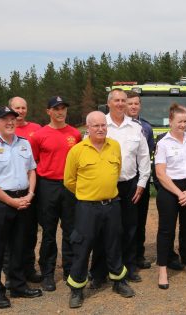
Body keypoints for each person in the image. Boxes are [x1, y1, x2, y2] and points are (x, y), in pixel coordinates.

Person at [0, 107, 43, 309]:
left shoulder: (24, 144)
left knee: (19, 246)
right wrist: (11, 201)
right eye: (5, 119)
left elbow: (31, 171)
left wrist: (30, 194)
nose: (10, 122)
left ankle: (18, 285)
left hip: (23, 200)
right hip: (0, 203)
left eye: (13, 118)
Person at [64, 111, 135, 308]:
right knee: (82, 247)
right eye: (96, 126)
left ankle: (118, 282)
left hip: (112, 205)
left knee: (113, 244)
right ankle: (77, 289)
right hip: (87, 208)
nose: (101, 128)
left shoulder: (115, 146)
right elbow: (69, 181)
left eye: (103, 125)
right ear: (88, 128)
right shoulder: (77, 151)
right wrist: (88, 193)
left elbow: (117, 170)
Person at [90, 89, 151, 286]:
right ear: (109, 103)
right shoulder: (99, 125)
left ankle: (129, 267)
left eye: (123, 101)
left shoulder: (135, 128)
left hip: (129, 185)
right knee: (102, 230)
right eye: (116, 100)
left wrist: (142, 183)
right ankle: (99, 272)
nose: (120, 104)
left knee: (129, 228)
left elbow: (143, 157)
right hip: (105, 186)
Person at [30, 96, 81, 291]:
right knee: (49, 232)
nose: (60, 112)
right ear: (48, 111)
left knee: (70, 231)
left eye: (63, 108)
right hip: (47, 186)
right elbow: (33, 163)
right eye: (56, 109)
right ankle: (48, 274)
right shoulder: (39, 135)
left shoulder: (75, 134)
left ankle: (69, 270)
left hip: (69, 186)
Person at [155, 103, 186, 289]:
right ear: (171, 122)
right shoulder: (163, 143)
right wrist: (179, 193)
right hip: (169, 190)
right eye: (179, 121)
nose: (183, 125)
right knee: (166, 231)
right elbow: (160, 173)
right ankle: (162, 270)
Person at [0, 96, 42, 283]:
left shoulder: (36, 129)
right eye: (16, 108)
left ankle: (28, 269)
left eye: (23, 108)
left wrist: (31, 192)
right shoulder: (1, 133)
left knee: (28, 232)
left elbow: (34, 163)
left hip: (30, 187)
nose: (20, 111)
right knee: (9, 239)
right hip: (7, 193)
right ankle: (12, 276)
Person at [125, 90, 155, 270]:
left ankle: (138, 255)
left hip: (141, 178)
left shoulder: (146, 128)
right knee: (124, 221)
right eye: (130, 103)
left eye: (136, 103)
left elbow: (147, 154)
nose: (134, 106)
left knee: (140, 219)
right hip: (123, 179)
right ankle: (123, 256)